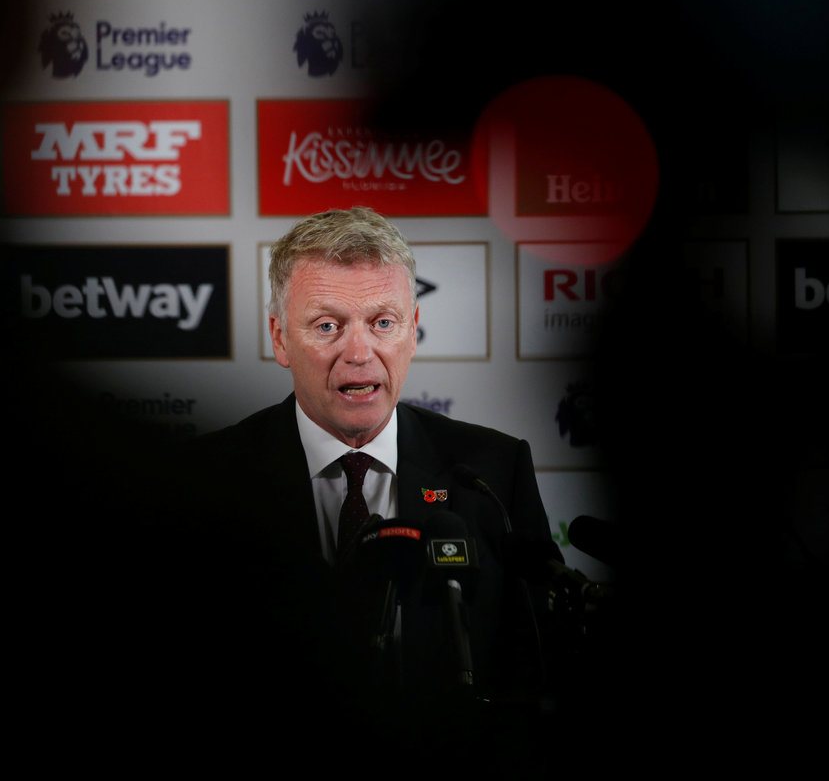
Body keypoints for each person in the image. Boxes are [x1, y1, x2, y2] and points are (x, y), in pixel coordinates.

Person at [189, 207, 560, 773]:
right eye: (327, 326)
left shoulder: (492, 471)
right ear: (280, 338)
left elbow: (536, 669)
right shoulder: (206, 478)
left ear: (413, 330)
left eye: (382, 322)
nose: (359, 353)